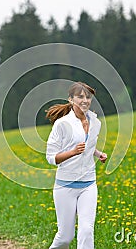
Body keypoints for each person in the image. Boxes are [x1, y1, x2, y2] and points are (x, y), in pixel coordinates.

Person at [45, 81, 107, 249]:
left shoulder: (96, 123)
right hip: (65, 186)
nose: (85, 100)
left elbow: (88, 144)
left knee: (86, 231)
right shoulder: (62, 124)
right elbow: (51, 157)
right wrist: (72, 152)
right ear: (71, 99)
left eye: (88, 97)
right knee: (65, 237)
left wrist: (97, 153)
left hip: (88, 184)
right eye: (80, 97)